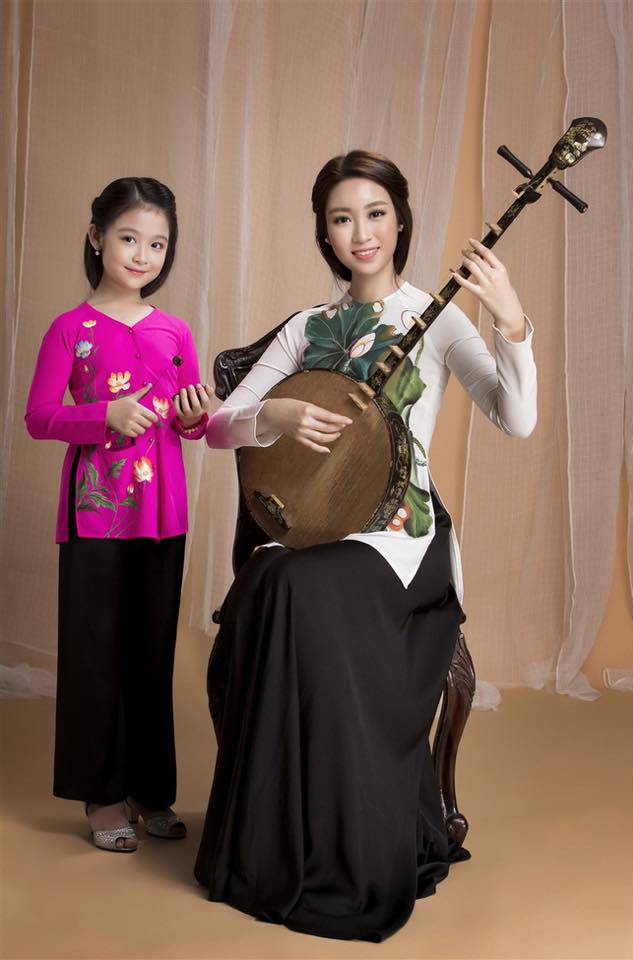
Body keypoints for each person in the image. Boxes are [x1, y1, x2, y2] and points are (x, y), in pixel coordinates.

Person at [195, 150, 537, 940]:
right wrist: (274, 416)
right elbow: (218, 427)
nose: (362, 232)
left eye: (375, 213)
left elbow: (515, 418)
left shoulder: (437, 316)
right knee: (269, 581)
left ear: (401, 220)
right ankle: (279, 842)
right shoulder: (307, 328)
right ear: (324, 232)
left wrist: (512, 320)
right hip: (319, 528)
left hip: (401, 541)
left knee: (294, 587)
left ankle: (349, 845)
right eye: (342, 218)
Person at [25, 177, 213, 852]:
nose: (142, 255)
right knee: (94, 655)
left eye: (157, 244)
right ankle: (101, 797)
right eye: (130, 238)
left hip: (163, 514)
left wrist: (195, 415)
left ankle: (150, 791)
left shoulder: (174, 330)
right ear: (96, 236)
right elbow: (39, 417)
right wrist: (103, 414)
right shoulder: (68, 329)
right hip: (95, 514)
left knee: (152, 653)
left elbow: (191, 424)